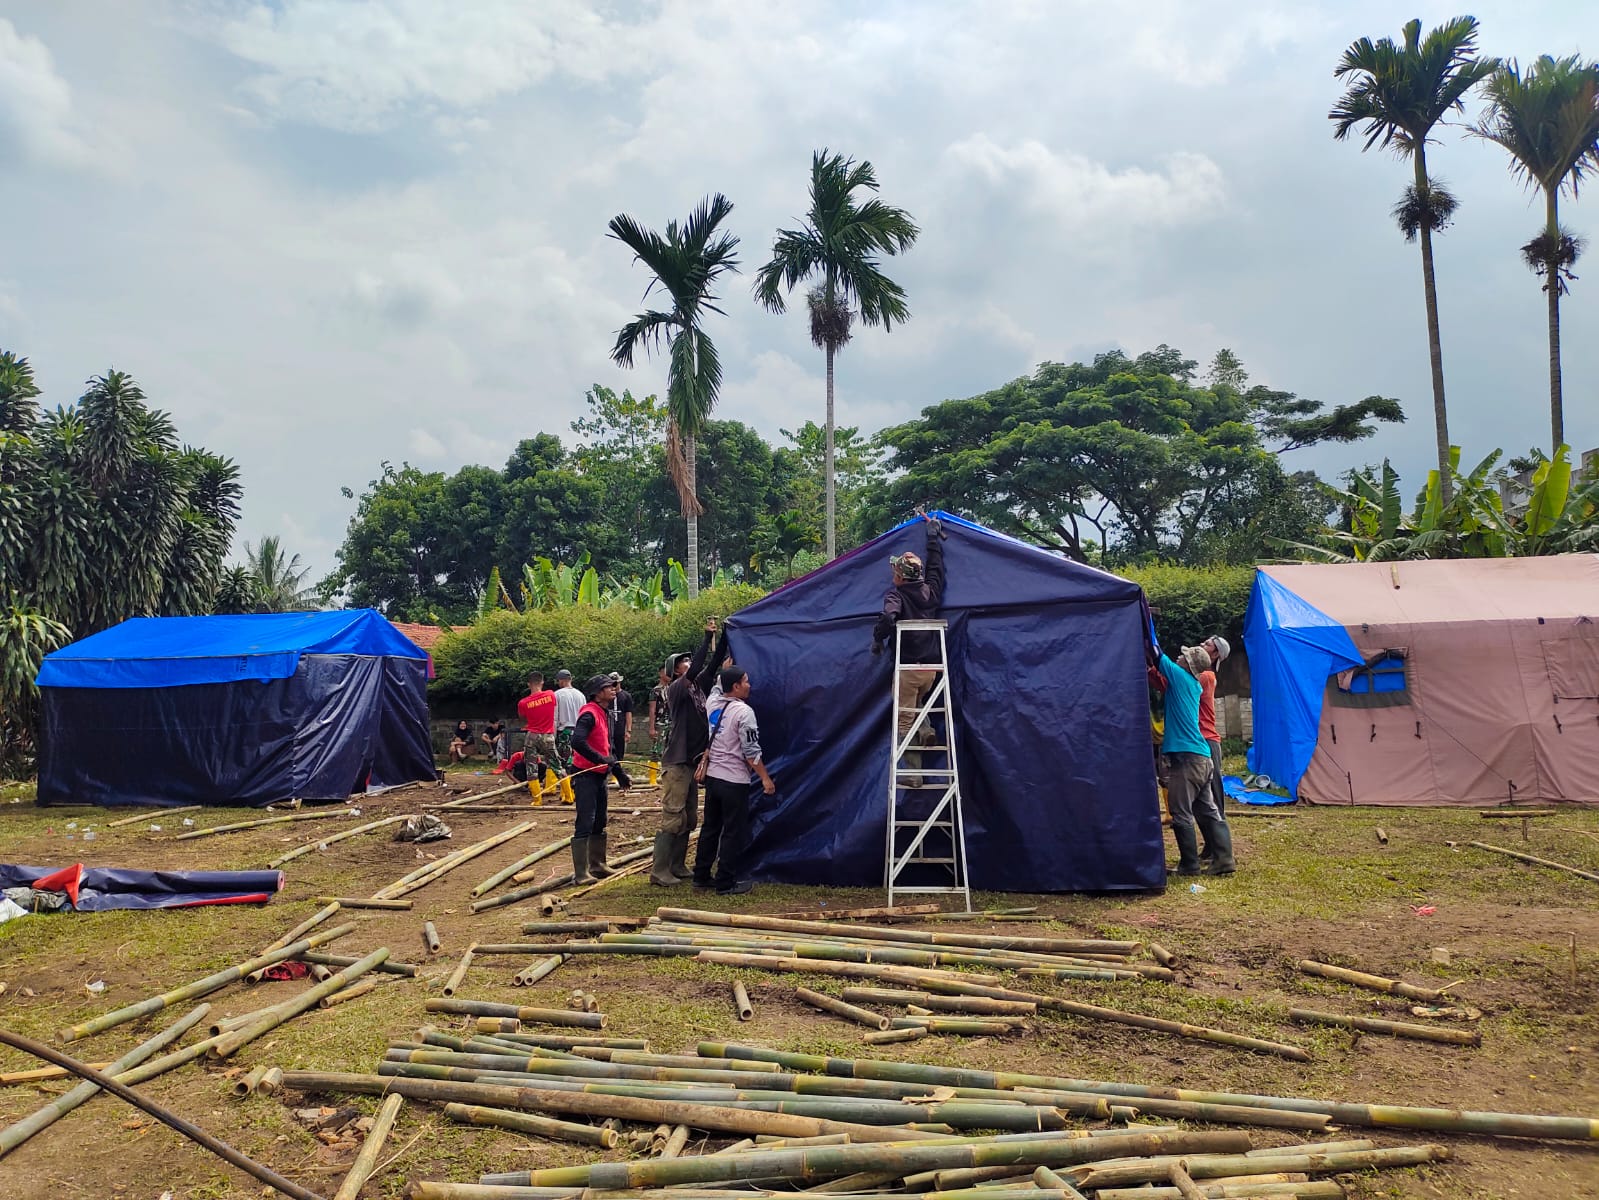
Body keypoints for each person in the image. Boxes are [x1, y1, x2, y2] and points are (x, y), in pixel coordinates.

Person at [649, 617, 728, 887]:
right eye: (683, 662)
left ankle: (678, 864)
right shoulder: (677, 688)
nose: (688, 663)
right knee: (673, 815)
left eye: (687, 660)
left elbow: (714, 663)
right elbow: (697, 667)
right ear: (676, 670)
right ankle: (659, 871)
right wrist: (706, 637)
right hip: (677, 761)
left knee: (689, 817)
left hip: (692, 762)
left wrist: (727, 635)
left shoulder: (697, 688)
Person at [870, 512, 947, 787]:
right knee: (916, 707)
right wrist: (932, 538)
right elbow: (937, 568)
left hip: (907, 668)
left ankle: (913, 774)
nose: (893, 574)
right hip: (932, 671)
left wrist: (878, 639)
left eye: (896, 571)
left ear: (901, 577)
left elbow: (889, 617)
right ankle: (925, 728)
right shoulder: (930, 592)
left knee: (904, 722)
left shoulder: (896, 595)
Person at [694, 665, 776, 896]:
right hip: (734, 780)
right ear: (736, 686)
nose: (749, 685)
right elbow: (751, 751)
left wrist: (724, 669)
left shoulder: (713, 703)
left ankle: (700, 876)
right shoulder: (744, 712)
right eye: (746, 681)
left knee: (710, 827)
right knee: (732, 832)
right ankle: (725, 882)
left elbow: (716, 687)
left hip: (713, 777)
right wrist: (765, 778)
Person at [1155, 643, 1234, 876]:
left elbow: (1156, 651)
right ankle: (1224, 860)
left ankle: (1189, 865)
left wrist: (1145, 621)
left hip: (1187, 759)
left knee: (1180, 813)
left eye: (1183, 656)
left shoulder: (1179, 677)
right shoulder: (1192, 684)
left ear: (1187, 665)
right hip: (1202, 757)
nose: (1179, 656)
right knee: (1208, 810)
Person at [568, 674, 632, 884]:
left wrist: (619, 773)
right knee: (585, 820)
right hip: (585, 774)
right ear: (597, 694)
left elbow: (608, 747)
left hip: (600, 774)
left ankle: (597, 864)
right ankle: (580, 873)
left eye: (614, 686)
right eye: (608, 687)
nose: (614, 689)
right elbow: (577, 741)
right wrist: (599, 760)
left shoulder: (605, 713)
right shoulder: (589, 714)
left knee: (600, 820)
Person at [1198, 634, 1231, 851]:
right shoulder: (1198, 674)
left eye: (1207, 644)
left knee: (1213, 796)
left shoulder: (1206, 676)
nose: (1202, 644)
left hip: (1208, 741)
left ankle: (1221, 850)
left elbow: (1171, 680)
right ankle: (1211, 846)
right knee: (1200, 798)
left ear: (1215, 653)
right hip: (1198, 741)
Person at [517, 672, 558, 781]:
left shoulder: (523, 703)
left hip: (532, 735)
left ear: (528, 684)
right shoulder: (551, 695)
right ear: (542, 682)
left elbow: (522, 717)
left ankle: (536, 798)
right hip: (548, 735)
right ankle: (568, 794)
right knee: (556, 765)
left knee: (531, 768)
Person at [553, 669, 585, 774]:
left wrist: (553, 737)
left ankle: (566, 786)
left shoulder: (556, 695)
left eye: (558, 681)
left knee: (563, 762)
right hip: (579, 732)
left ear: (561, 680)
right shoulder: (581, 695)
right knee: (577, 760)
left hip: (564, 733)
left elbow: (555, 718)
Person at [607, 672, 634, 763]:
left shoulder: (626, 696)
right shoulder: (607, 696)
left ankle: (619, 765)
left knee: (619, 748)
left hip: (620, 726)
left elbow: (628, 713)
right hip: (608, 726)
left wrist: (628, 730)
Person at [647, 667, 672, 760]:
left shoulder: (671, 689)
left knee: (668, 750)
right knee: (657, 751)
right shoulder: (655, 691)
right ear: (661, 674)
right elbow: (652, 709)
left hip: (670, 723)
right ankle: (654, 772)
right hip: (659, 723)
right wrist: (652, 728)